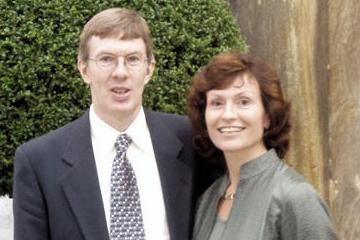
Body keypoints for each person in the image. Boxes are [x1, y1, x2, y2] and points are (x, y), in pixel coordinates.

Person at [13, 8, 213, 240]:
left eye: (133, 59)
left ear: (149, 69)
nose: (120, 72)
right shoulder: (39, 162)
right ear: (84, 69)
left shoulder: (191, 140)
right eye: (106, 59)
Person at [187, 50, 337, 240]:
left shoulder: (295, 197)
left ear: (267, 116)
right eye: (217, 103)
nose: (228, 114)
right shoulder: (207, 200)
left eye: (243, 101)